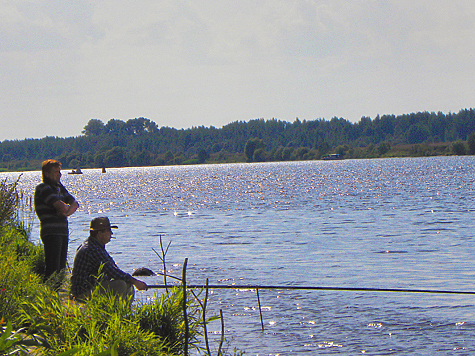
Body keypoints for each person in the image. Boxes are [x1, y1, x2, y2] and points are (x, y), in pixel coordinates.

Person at [70, 217, 148, 301]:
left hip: (90, 288)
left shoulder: (95, 246)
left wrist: (131, 281)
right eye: (108, 231)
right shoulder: (92, 249)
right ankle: (114, 312)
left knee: (127, 284)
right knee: (120, 285)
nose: (111, 233)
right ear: (100, 234)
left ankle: (123, 312)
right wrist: (135, 281)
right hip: (83, 293)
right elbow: (112, 271)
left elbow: (113, 269)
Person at [34, 159, 79, 281]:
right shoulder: (43, 188)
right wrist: (65, 209)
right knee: (52, 268)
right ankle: (49, 293)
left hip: (62, 231)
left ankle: (57, 293)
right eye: (56, 172)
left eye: (59, 171)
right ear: (47, 174)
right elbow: (60, 205)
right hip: (51, 232)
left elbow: (74, 204)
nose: (59, 174)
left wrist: (65, 213)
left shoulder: (59, 187)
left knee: (61, 268)